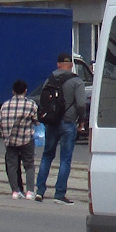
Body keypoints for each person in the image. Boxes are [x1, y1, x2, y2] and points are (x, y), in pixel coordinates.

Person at [36, 53, 86, 204]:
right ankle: (59, 194)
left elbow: (42, 101)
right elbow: (81, 104)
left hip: (51, 122)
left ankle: (39, 191)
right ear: (71, 64)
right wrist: (81, 122)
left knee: (47, 156)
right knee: (65, 159)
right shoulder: (76, 81)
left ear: (58, 65)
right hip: (68, 122)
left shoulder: (49, 80)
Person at [0, 79, 39, 200]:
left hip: (10, 140)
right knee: (29, 165)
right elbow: (36, 121)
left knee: (12, 165)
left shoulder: (5, 105)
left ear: (13, 91)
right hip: (26, 138)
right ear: (25, 91)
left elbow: (0, 122)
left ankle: (15, 191)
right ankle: (30, 191)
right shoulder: (31, 104)